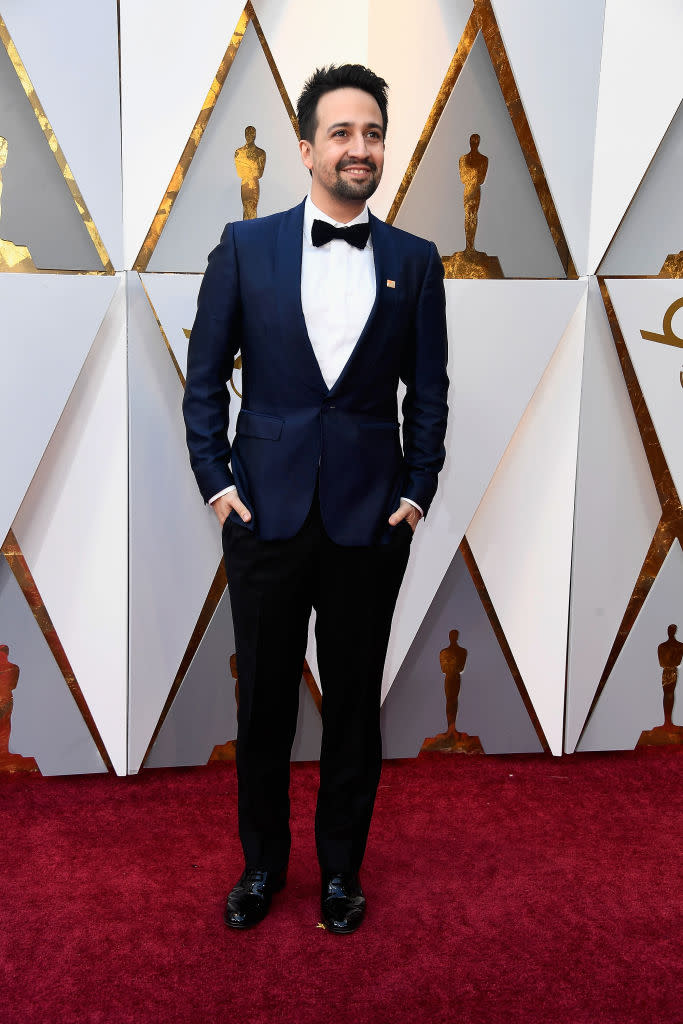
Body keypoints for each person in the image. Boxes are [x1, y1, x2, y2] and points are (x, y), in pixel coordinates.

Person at [183, 64, 449, 934]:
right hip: (263, 514)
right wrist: (218, 485)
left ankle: (341, 872)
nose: (359, 147)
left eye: (371, 132)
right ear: (305, 149)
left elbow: (430, 391)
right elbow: (203, 383)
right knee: (260, 705)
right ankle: (262, 868)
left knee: (352, 712)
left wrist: (415, 494)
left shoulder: (413, 261)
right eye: (340, 133)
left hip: (369, 523)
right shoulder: (244, 246)